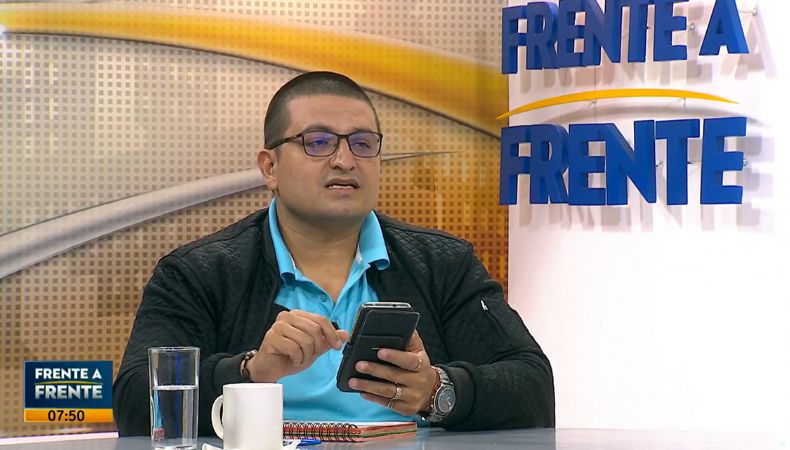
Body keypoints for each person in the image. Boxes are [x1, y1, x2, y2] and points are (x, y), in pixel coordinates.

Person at [113, 71, 555, 436]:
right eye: (318, 142)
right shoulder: (200, 272)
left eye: (362, 143)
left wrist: (435, 390)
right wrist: (250, 372)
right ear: (270, 167)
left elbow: (533, 386)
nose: (345, 160)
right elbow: (135, 402)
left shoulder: (441, 263)